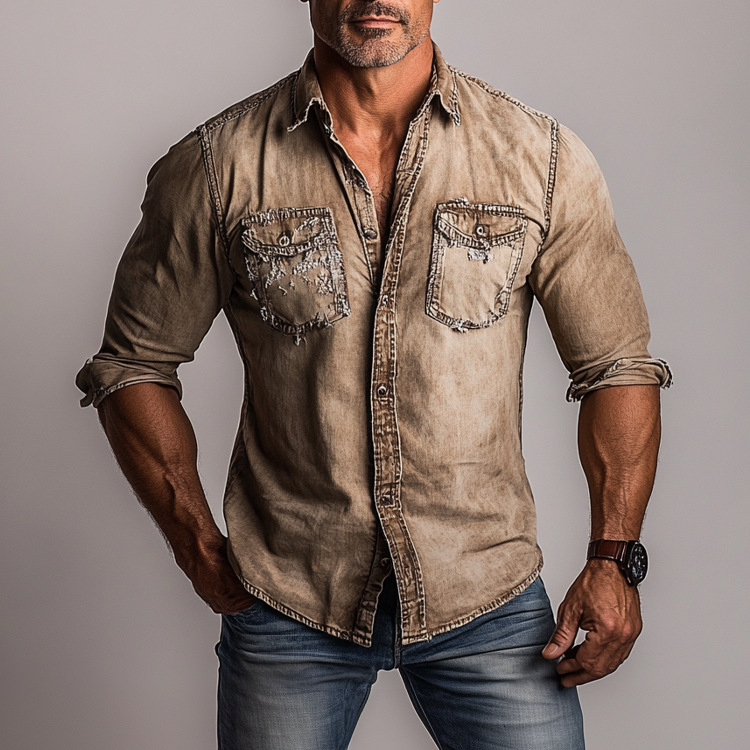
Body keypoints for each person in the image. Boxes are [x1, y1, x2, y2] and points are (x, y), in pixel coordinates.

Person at [76, 1, 672, 748]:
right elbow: (133, 364)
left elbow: (617, 365)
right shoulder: (217, 165)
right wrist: (196, 543)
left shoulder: (539, 157)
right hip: (290, 601)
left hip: (486, 598)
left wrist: (614, 559)